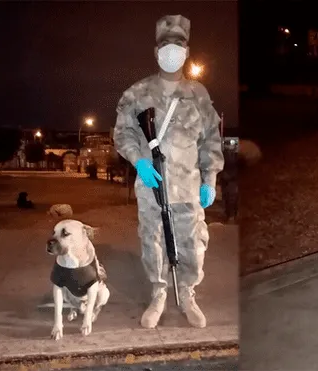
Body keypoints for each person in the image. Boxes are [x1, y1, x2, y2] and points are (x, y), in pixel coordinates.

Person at [113, 14, 224, 329]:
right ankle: (159, 293)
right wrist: (139, 161)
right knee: (153, 239)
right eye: (165, 46)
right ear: (156, 51)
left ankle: (187, 293)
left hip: (188, 186)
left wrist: (210, 179)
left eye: (177, 46)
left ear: (186, 52)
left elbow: (211, 140)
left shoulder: (198, 95)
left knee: (192, 242)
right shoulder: (137, 93)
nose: (171, 52)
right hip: (152, 184)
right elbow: (123, 134)